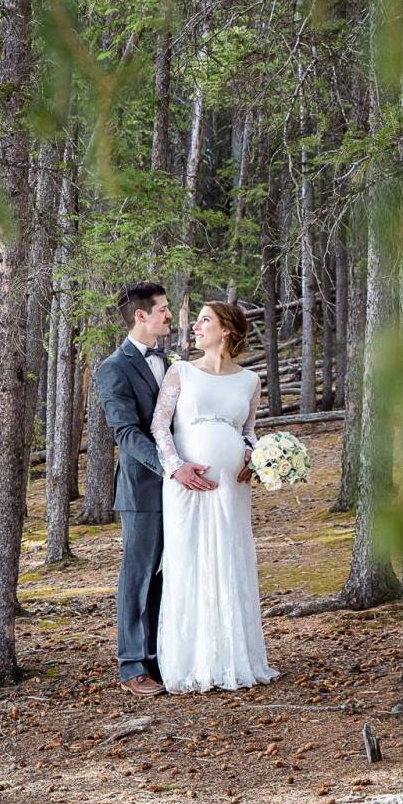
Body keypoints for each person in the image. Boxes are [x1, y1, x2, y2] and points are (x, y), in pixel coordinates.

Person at [150, 301, 279, 693]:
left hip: (233, 489)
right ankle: (191, 663)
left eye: (205, 320)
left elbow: (249, 430)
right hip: (187, 486)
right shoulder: (181, 372)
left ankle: (233, 660)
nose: (195, 327)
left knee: (229, 561)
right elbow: (160, 426)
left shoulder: (250, 381)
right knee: (189, 562)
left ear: (226, 329)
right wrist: (177, 468)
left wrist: (254, 458)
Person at [95, 282, 174, 696]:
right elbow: (125, 433)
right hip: (142, 489)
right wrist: (170, 467)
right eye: (162, 309)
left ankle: (159, 656)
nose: (169, 314)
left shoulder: (172, 361)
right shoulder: (114, 367)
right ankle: (131, 667)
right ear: (141, 315)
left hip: (181, 491)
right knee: (138, 574)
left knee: (169, 575)